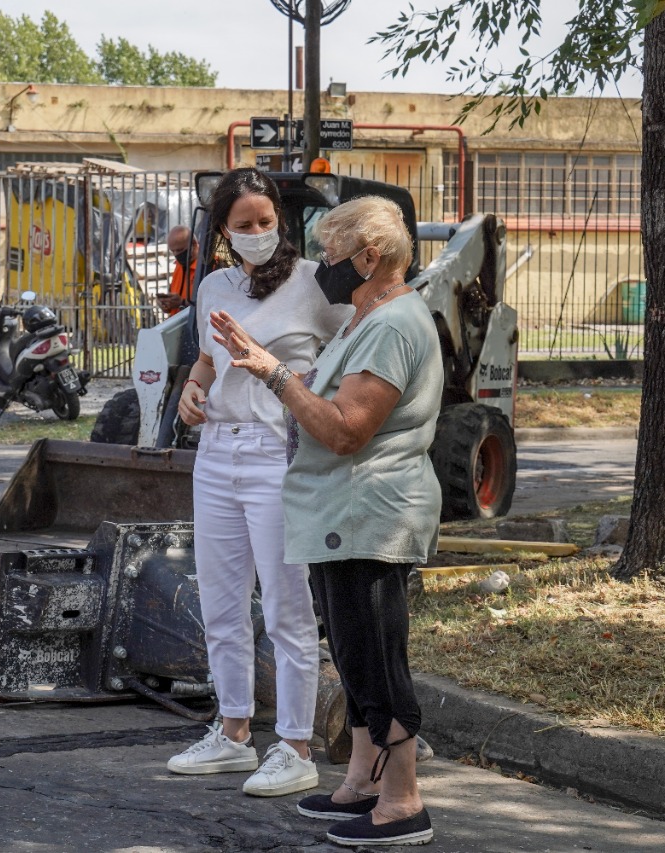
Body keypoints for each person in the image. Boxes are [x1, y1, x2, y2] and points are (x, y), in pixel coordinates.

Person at [208, 195, 442, 846]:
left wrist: (276, 374)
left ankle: (402, 802)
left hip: (372, 509)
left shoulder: (394, 324)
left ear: (370, 258)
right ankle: (363, 782)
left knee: (375, 652)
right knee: (352, 647)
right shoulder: (365, 318)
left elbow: (346, 429)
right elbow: (331, 393)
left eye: (334, 256)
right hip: (344, 511)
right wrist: (267, 362)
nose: (323, 268)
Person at [166, 167, 352, 798]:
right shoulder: (214, 283)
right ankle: (234, 731)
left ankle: (295, 745)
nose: (256, 234)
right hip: (216, 453)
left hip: (278, 455)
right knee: (220, 602)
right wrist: (194, 388)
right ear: (222, 230)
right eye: (243, 226)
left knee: (286, 605)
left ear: (281, 220)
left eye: (265, 223)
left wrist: (298, 387)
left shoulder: (310, 283)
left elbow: (352, 343)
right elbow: (207, 359)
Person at [156, 225, 198, 317]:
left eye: (179, 250)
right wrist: (166, 303)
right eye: (173, 251)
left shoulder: (208, 266)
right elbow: (175, 293)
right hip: (179, 325)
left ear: (194, 244)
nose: (176, 254)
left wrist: (182, 302)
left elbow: (210, 305)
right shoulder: (179, 266)